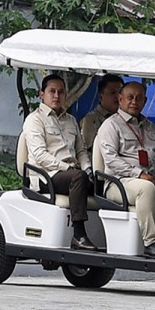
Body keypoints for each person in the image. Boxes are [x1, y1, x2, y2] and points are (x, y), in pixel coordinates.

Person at [23, 74, 96, 251]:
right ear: (42, 94)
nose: (56, 96)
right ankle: (79, 234)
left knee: (101, 184)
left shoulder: (71, 120)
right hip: (46, 175)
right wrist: (68, 168)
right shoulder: (35, 119)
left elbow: (81, 151)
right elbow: (40, 155)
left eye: (61, 92)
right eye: (52, 91)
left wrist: (89, 171)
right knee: (77, 177)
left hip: (71, 174)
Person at [97, 82, 155, 258]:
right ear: (120, 99)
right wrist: (139, 174)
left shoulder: (149, 126)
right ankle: (151, 242)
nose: (134, 101)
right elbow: (111, 160)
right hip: (119, 183)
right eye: (130, 97)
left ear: (145, 101)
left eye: (139, 98)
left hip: (150, 180)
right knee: (145, 189)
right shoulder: (111, 125)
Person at [80, 74, 124, 151]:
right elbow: (88, 148)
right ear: (101, 96)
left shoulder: (126, 117)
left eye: (120, 93)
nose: (117, 96)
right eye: (113, 92)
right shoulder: (91, 118)